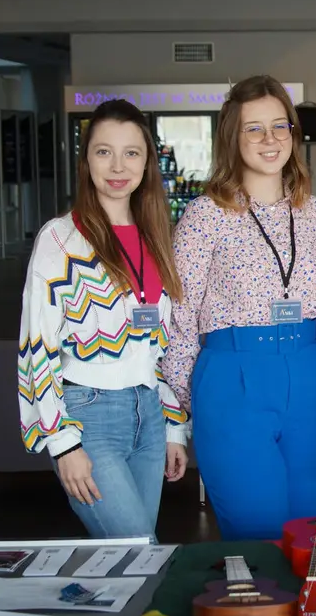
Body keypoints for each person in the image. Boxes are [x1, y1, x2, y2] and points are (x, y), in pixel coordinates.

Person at [162, 75, 316, 541]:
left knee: (306, 535)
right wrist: (188, 410)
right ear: (232, 138)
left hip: (308, 374)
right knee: (258, 534)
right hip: (233, 378)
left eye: (280, 126)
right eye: (253, 128)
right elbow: (180, 321)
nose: (270, 139)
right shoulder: (205, 215)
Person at [17, 99, 189, 540]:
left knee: (133, 562)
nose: (117, 166)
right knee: (140, 549)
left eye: (131, 152)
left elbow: (163, 349)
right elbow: (36, 348)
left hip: (149, 415)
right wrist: (63, 444)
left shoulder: (158, 237)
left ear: (147, 162)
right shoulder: (61, 239)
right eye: (103, 151)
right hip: (88, 417)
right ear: (86, 160)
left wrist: (175, 426)